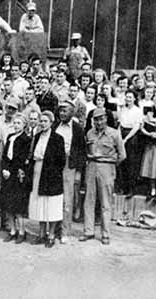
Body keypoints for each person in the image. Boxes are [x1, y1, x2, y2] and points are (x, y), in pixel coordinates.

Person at [79, 108, 126, 245]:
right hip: (92, 166)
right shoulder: (89, 133)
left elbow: (122, 155)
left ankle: (106, 234)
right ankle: (88, 231)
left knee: (106, 202)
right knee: (89, 199)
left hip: (107, 167)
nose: (99, 122)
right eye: (96, 119)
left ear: (106, 118)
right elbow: (86, 151)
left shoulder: (114, 134)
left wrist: (110, 164)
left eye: (101, 119)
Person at [28, 111, 66, 247]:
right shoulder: (37, 137)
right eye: (41, 121)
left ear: (51, 123)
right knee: (40, 204)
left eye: (45, 121)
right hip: (38, 172)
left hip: (51, 175)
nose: (42, 123)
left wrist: (53, 171)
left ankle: (51, 234)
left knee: (51, 205)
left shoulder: (57, 139)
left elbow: (62, 160)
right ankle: (42, 233)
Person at [54, 100, 86, 244]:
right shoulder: (55, 126)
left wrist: (78, 172)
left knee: (67, 200)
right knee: (54, 197)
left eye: (65, 110)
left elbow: (81, 152)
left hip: (69, 165)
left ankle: (65, 231)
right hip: (55, 164)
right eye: (60, 110)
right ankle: (53, 229)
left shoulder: (78, 129)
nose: (62, 113)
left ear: (72, 112)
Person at [0, 113, 31, 244]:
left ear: (24, 125)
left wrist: (12, 170)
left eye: (19, 123)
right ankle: (12, 230)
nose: (16, 125)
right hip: (8, 175)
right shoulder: (10, 137)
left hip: (17, 176)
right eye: (15, 123)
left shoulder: (26, 140)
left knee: (18, 206)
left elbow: (21, 159)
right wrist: (4, 169)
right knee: (8, 205)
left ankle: (22, 231)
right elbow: (6, 156)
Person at [0, 97, 19, 237]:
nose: (10, 111)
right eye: (9, 108)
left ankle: (6, 222)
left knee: (7, 192)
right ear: (5, 107)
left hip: (9, 163)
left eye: (14, 109)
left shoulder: (17, 123)